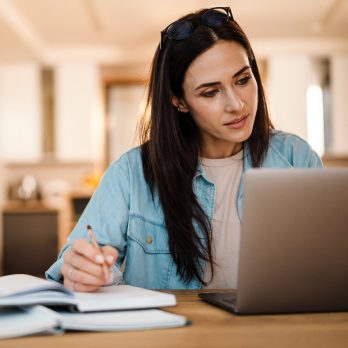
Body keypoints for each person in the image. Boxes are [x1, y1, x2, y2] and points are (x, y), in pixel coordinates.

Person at [46, 7, 322, 292]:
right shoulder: (131, 173)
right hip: (168, 335)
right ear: (179, 101)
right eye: (210, 92)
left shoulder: (296, 157)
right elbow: (70, 273)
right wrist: (81, 271)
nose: (237, 104)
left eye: (242, 80)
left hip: (277, 333)